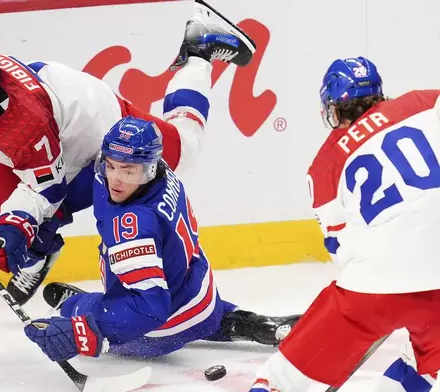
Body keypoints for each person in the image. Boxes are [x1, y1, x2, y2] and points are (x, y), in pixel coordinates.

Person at [0, 0, 257, 305]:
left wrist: (21, 226)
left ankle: (199, 51)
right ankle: (42, 246)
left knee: (186, 150)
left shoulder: (24, 123)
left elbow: (49, 186)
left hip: (93, 124)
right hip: (41, 127)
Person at [21, 116, 300, 362]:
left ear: (148, 168)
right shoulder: (158, 171)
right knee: (198, 312)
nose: (116, 179)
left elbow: (150, 310)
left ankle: (79, 307)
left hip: (159, 326)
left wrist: (80, 332)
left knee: (86, 311)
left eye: (128, 171)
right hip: (201, 293)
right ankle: (249, 324)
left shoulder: (133, 226)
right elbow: (84, 187)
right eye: (112, 166)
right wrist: (44, 222)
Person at [247, 57, 440, 392]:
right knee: (429, 367)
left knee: (281, 378)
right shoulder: (427, 101)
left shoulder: (324, 165)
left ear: (333, 108)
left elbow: (339, 246)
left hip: (373, 289)